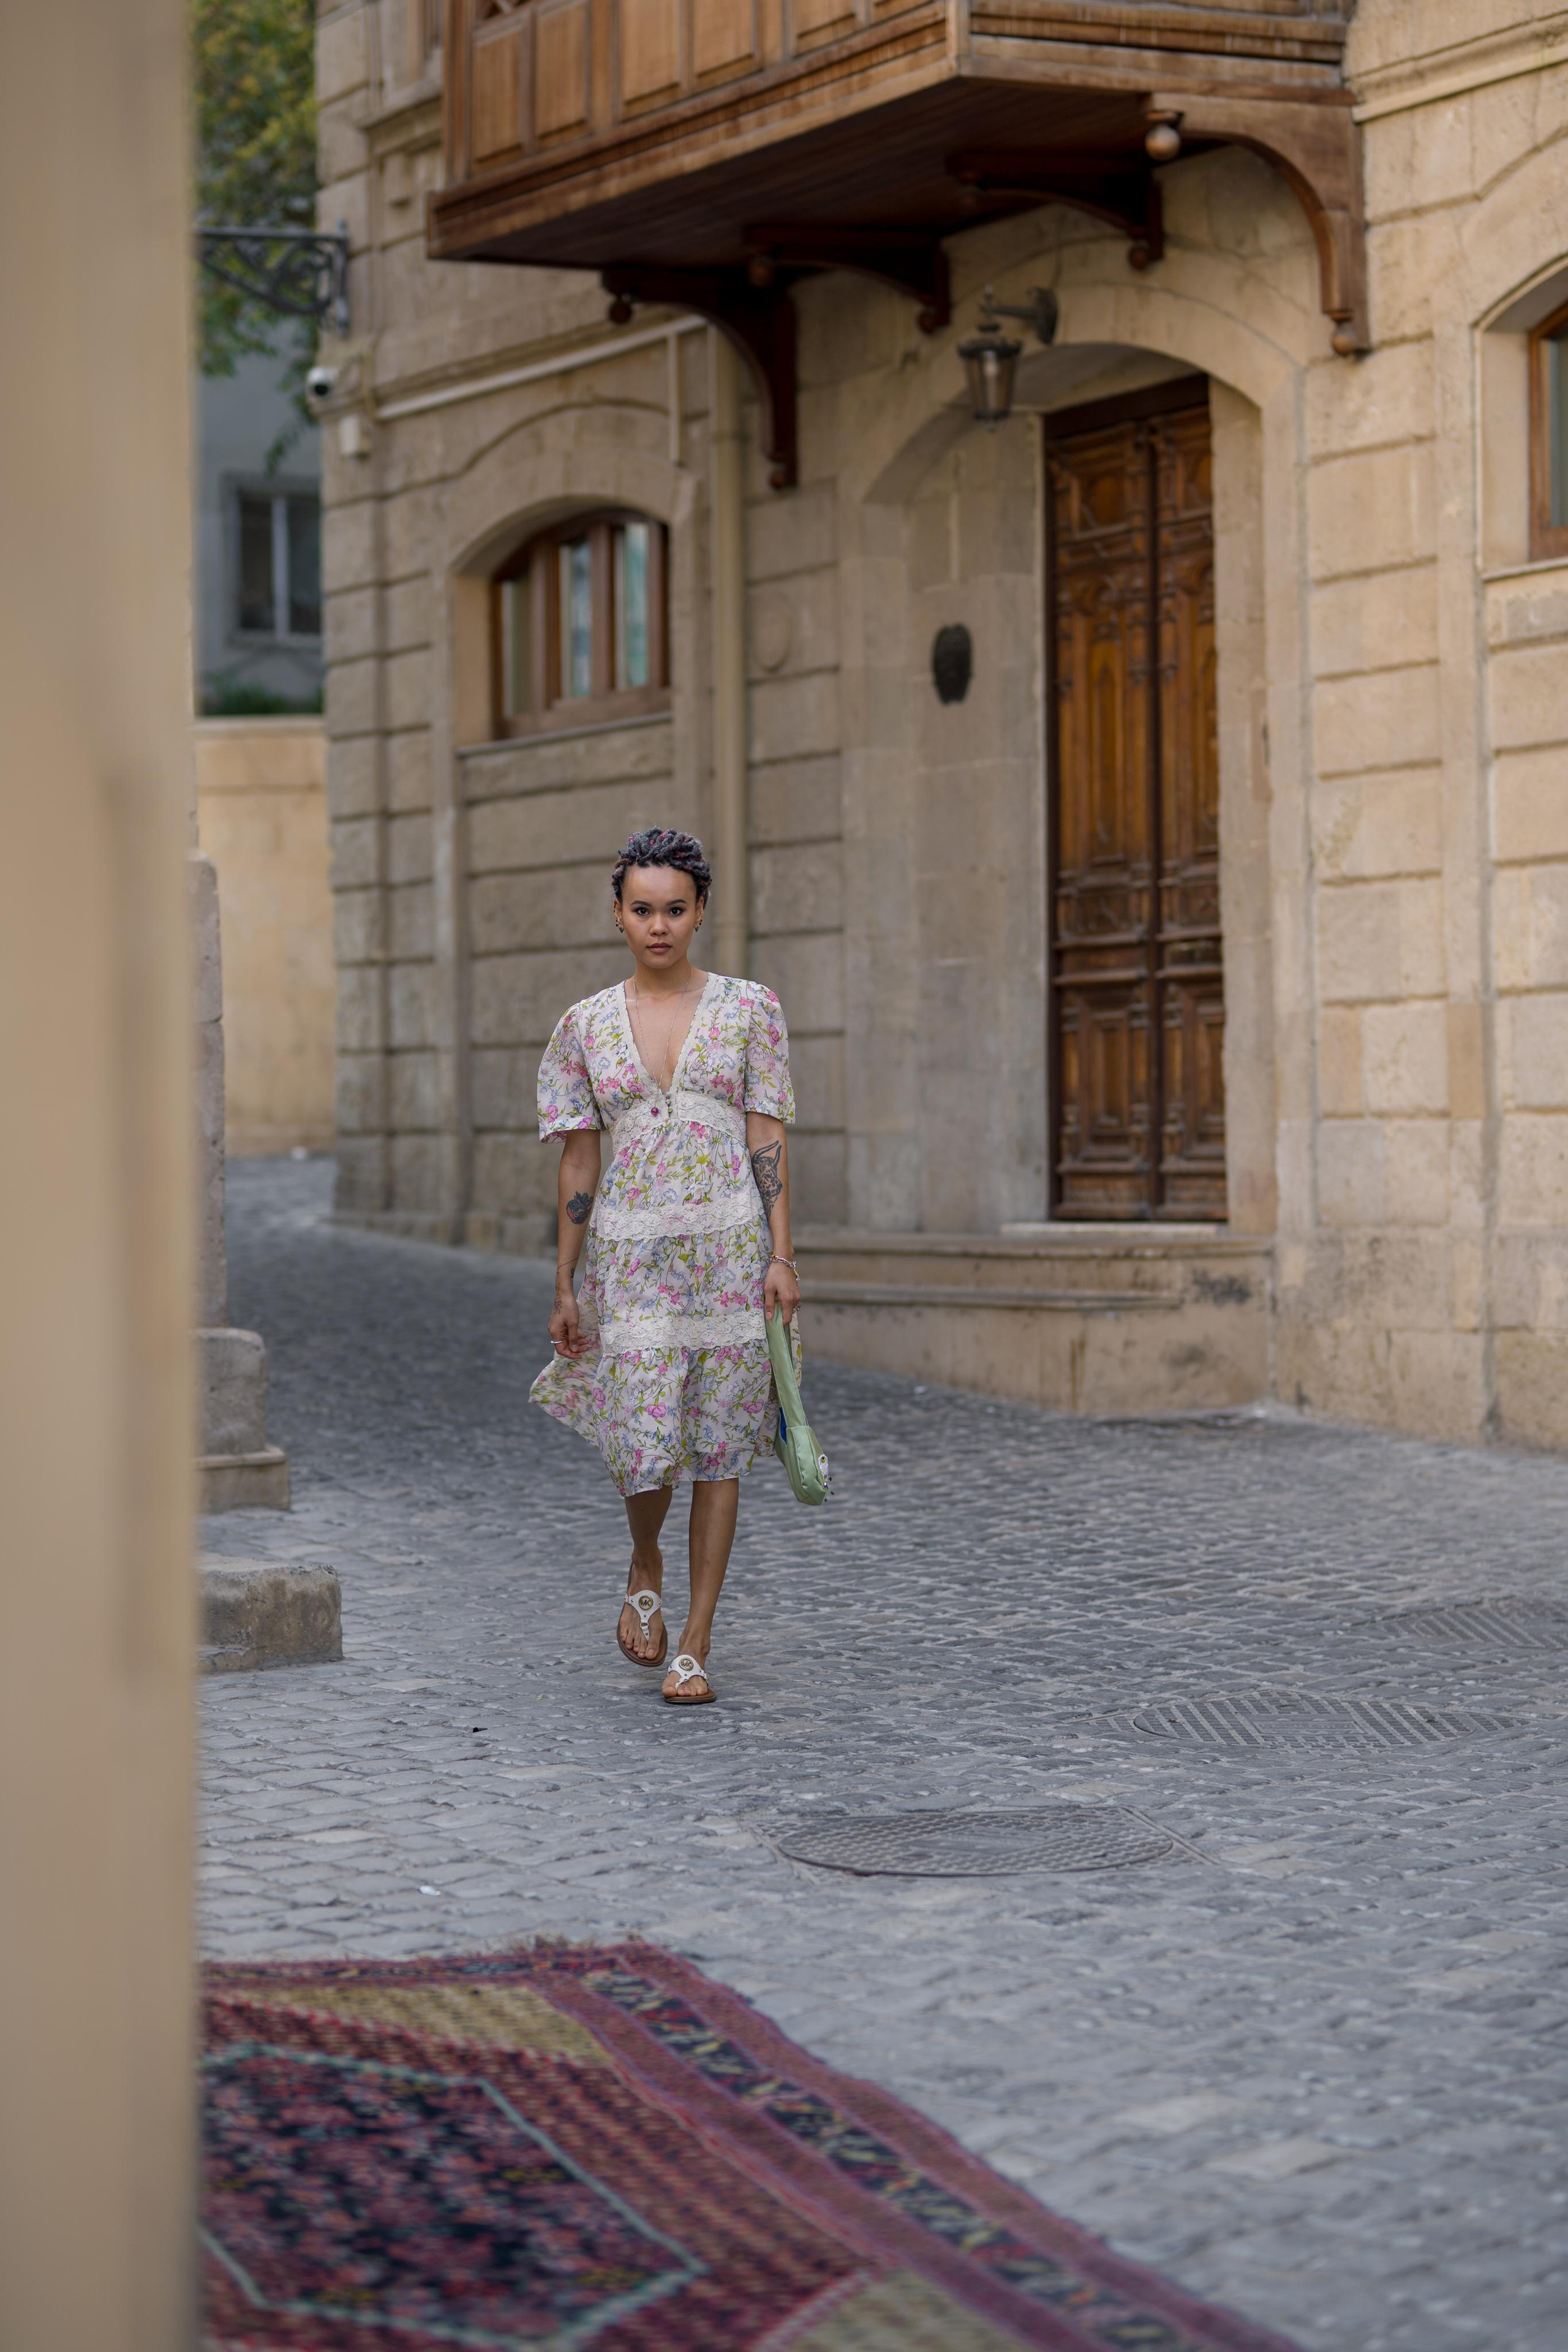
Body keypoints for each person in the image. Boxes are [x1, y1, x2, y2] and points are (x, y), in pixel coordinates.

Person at [531, 826, 800, 1705]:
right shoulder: (585, 1027)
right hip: (631, 1265)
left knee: (720, 1451)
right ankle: (644, 1555)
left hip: (729, 1255)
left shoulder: (751, 1010)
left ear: (699, 913)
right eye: (643, 910)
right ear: (618, 914)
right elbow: (578, 1161)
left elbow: (767, 1134)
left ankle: (695, 1638)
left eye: (675, 910)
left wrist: (783, 1256)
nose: (659, 926)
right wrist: (567, 1284)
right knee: (644, 1448)